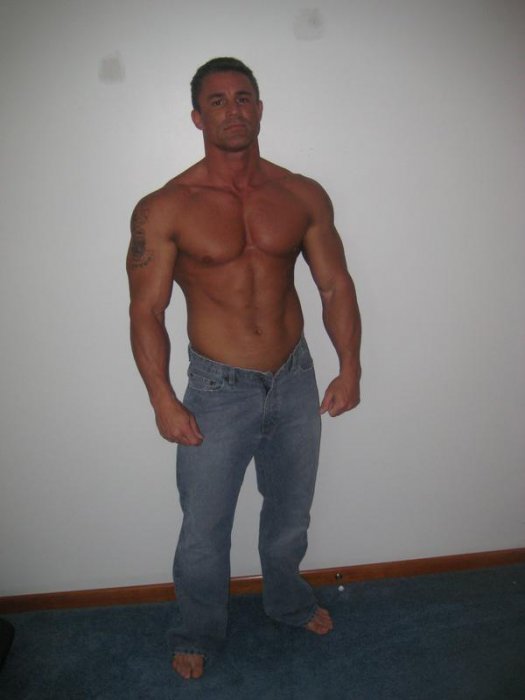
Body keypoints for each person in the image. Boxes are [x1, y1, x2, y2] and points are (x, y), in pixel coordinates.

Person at [127, 57, 361, 680]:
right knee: (204, 528)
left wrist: (350, 367)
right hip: (217, 389)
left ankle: (287, 602)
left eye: (244, 97)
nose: (233, 110)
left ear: (259, 108)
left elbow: (335, 285)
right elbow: (146, 311)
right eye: (218, 100)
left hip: (295, 378)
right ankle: (197, 630)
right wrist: (162, 399)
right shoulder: (166, 206)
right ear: (197, 117)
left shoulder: (301, 194)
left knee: (289, 512)